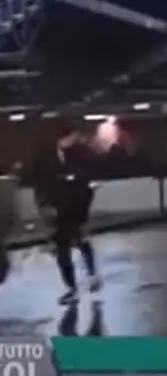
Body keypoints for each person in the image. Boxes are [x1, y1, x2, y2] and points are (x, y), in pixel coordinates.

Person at [34, 123, 100, 305]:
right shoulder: (47, 158)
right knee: (63, 251)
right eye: (71, 137)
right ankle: (71, 288)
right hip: (58, 211)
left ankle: (92, 274)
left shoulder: (80, 154)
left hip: (76, 209)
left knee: (82, 242)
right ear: (63, 137)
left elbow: (87, 179)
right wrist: (44, 205)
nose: (74, 140)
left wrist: (82, 193)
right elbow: (41, 183)